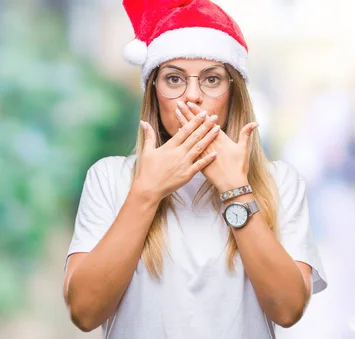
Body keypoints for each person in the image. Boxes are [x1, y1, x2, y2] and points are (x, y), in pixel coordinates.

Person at [62, 1, 327, 338]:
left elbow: (288, 309)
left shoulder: (280, 182)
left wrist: (236, 190)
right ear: (154, 92)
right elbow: (84, 312)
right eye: (173, 78)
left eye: (211, 79)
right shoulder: (109, 178)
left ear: (234, 93)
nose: (192, 96)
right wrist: (147, 192)